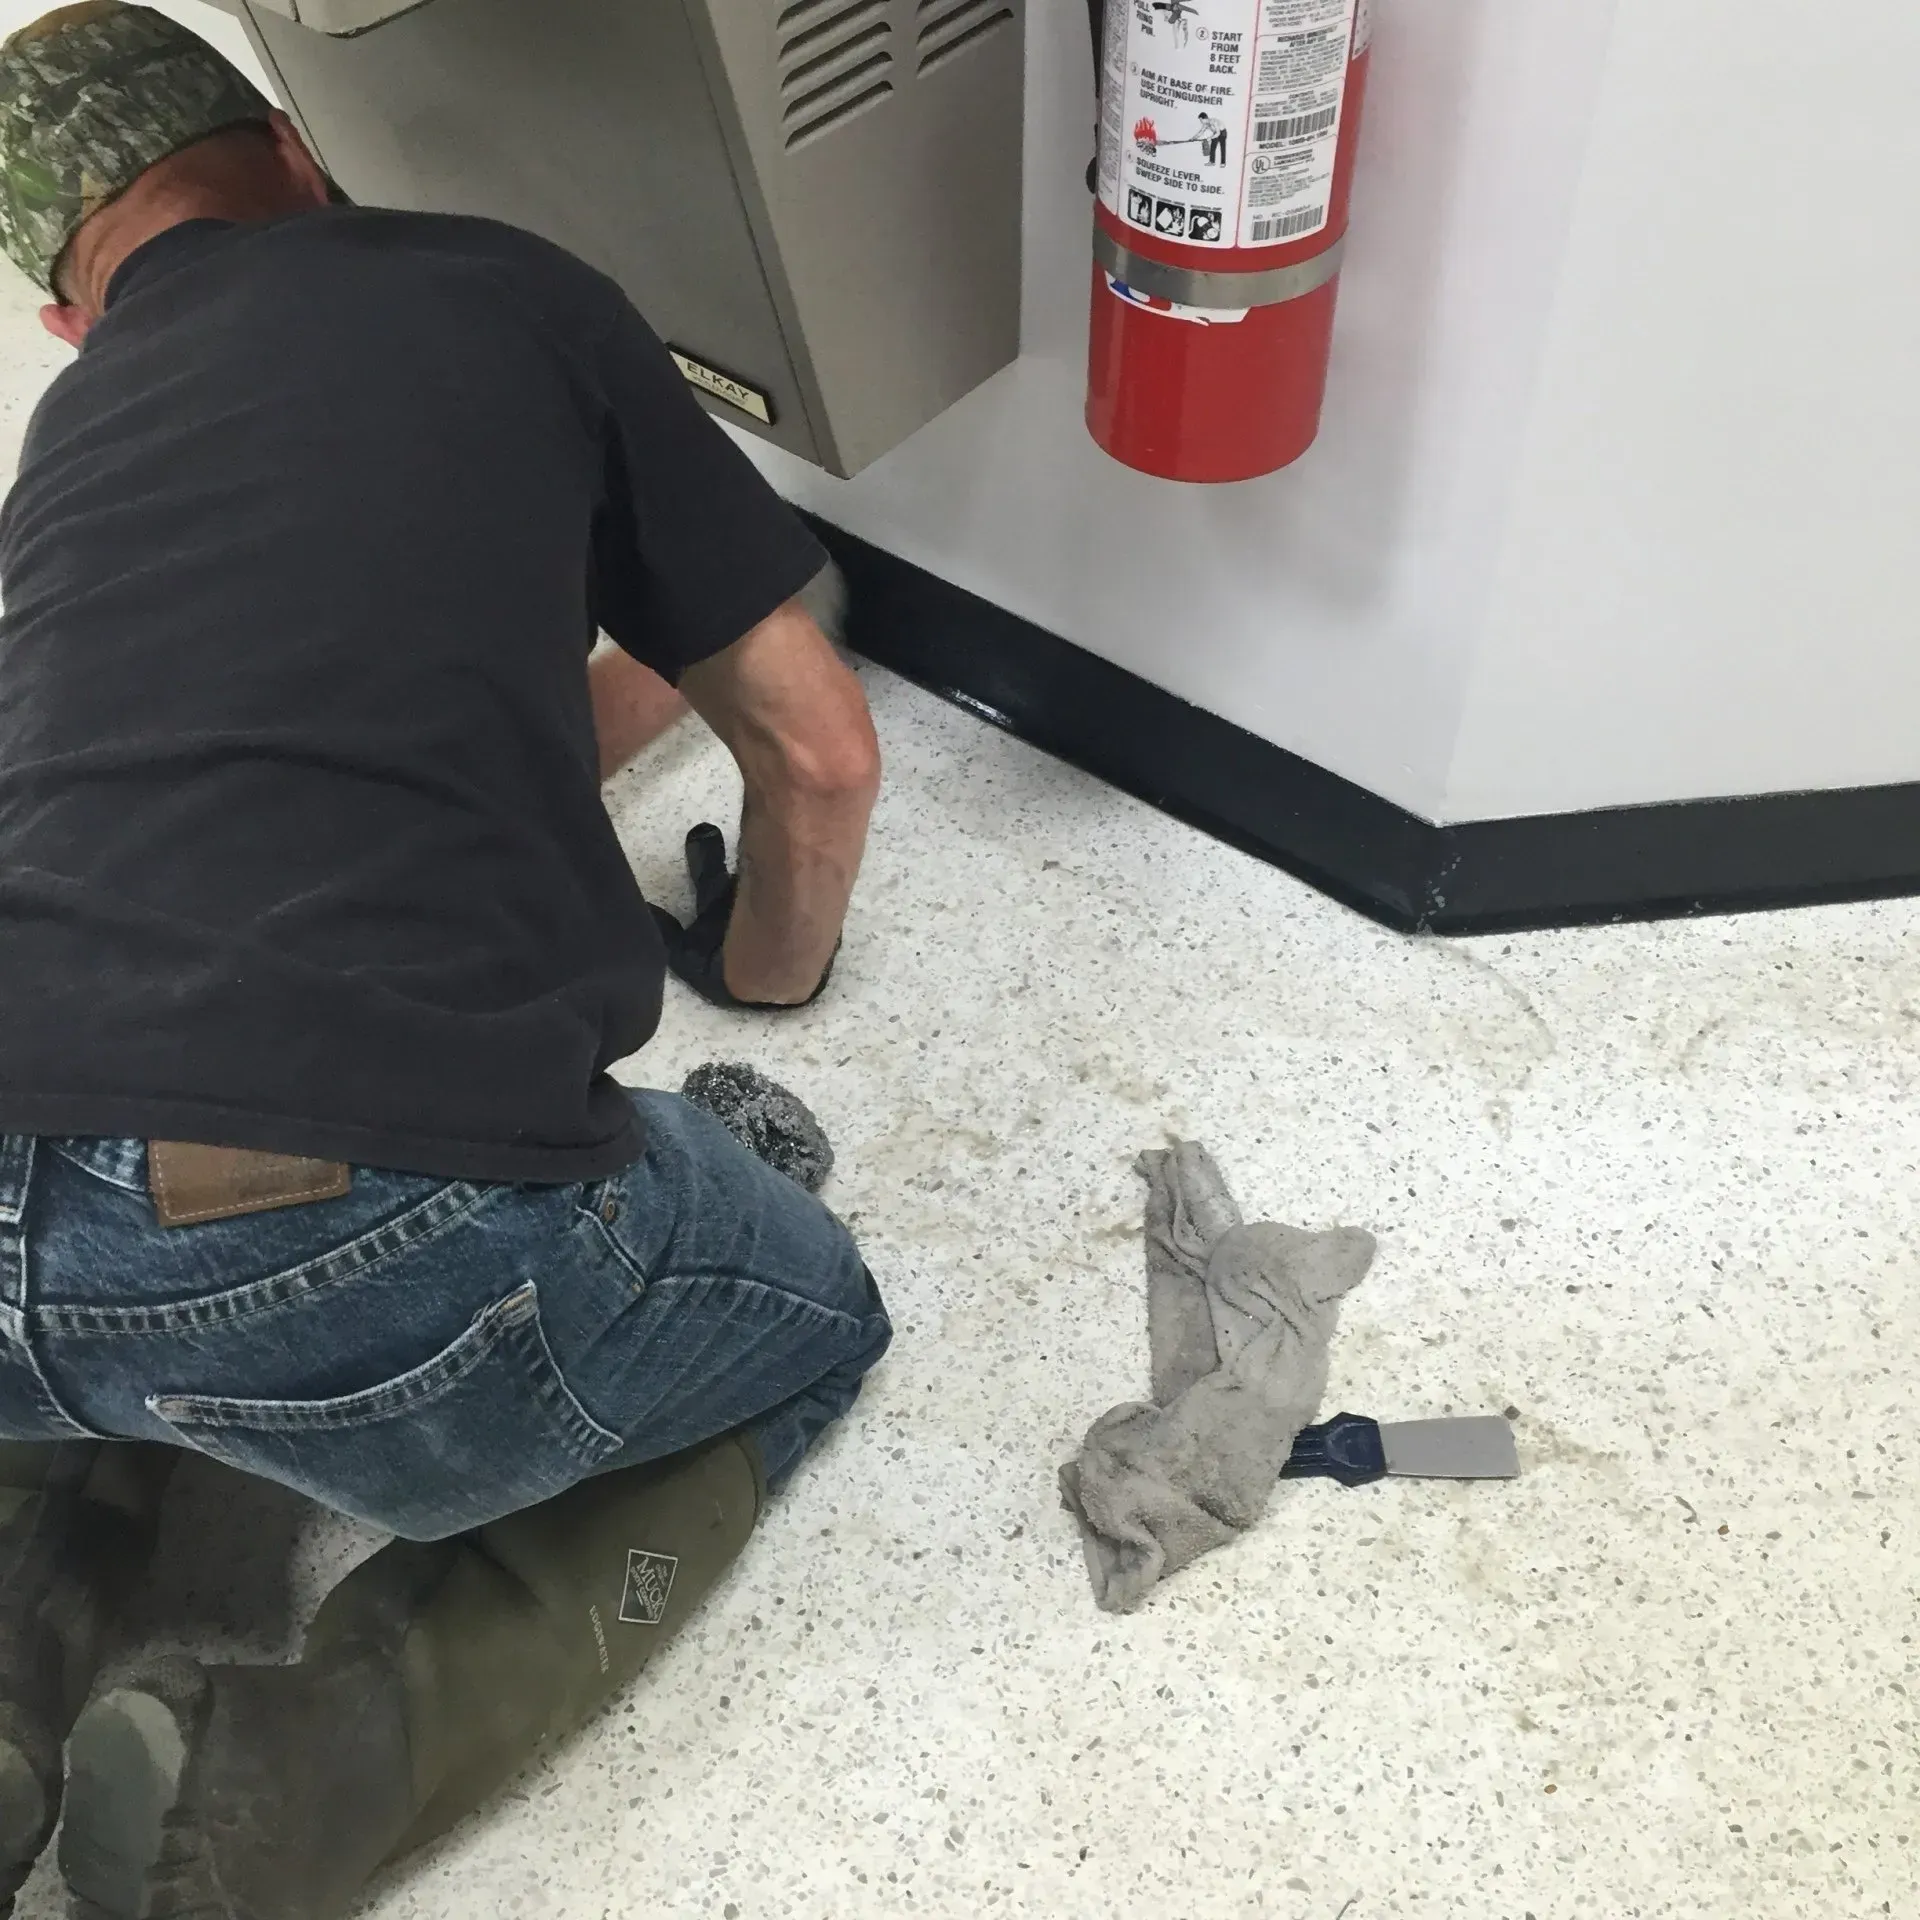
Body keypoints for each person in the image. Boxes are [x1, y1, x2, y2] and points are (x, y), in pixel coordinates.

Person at [0, 6, 892, 1917]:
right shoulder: (504, 289)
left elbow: (384, 722)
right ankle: (311, 1767)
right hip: (328, 1213)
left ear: (71, 312)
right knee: (804, 1322)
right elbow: (817, 751)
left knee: (81, 1301)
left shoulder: (75, 440)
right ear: (303, 165)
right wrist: (773, 970)